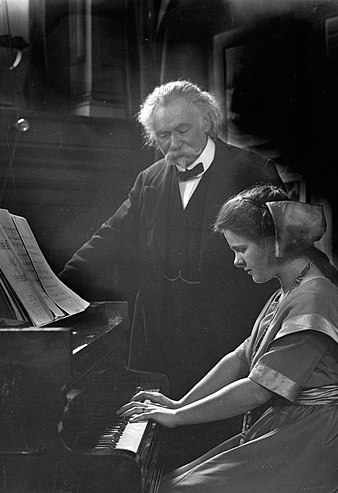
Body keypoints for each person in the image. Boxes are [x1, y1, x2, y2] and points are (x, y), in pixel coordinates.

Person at [119, 185, 338, 493]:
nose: (237, 261)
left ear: (273, 242)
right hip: (290, 431)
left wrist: (176, 419)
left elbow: (256, 388)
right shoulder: (288, 291)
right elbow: (239, 358)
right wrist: (179, 403)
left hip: (316, 446)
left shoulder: (315, 298)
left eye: (241, 249)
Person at [58, 80, 282, 468]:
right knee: (167, 452)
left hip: (229, 337)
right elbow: (107, 239)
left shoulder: (252, 169)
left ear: (207, 123)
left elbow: (282, 250)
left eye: (183, 130)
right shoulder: (149, 180)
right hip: (161, 341)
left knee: (222, 452)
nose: (174, 143)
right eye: (163, 135)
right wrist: (55, 289)